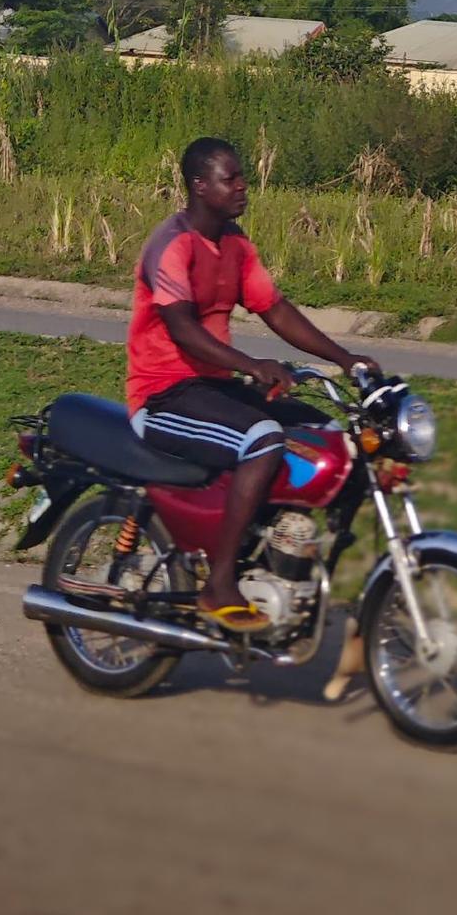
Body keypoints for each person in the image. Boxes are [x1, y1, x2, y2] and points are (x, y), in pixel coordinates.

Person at [126, 135, 380, 632]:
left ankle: (299, 563)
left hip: (212, 388)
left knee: (330, 435)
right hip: (163, 394)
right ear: (200, 186)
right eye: (231, 178)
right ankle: (219, 584)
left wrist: (345, 358)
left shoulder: (236, 244)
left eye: (243, 176)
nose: (244, 186)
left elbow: (275, 309)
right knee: (263, 439)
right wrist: (249, 364)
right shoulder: (171, 245)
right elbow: (182, 328)